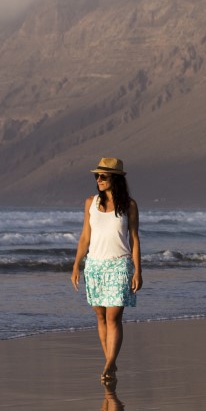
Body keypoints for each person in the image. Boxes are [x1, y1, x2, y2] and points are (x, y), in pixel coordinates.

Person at [71, 157, 142, 381]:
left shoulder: (129, 205)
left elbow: (134, 239)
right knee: (101, 317)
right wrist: (76, 266)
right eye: (97, 176)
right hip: (95, 265)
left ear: (116, 179)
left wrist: (138, 270)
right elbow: (85, 237)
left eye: (103, 176)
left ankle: (110, 363)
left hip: (120, 263)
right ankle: (109, 364)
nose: (98, 180)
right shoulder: (90, 202)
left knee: (113, 317)